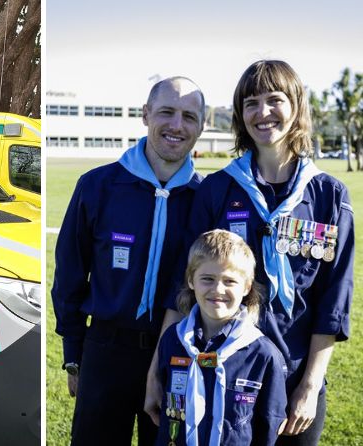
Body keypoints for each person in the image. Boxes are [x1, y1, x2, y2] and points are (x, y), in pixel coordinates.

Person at [147, 60, 354, 445]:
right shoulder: (218, 190)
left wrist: (310, 384)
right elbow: (184, 282)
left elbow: (334, 300)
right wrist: (156, 370)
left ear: (296, 106)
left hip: (295, 374)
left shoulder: (329, 196)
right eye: (251, 103)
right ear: (241, 115)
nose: (263, 113)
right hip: (219, 372)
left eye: (274, 100)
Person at [52, 77, 205, 445]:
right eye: (166, 112)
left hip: (177, 354)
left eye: (189, 116)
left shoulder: (205, 200)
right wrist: (74, 353)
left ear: (201, 126)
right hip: (106, 351)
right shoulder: (97, 186)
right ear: (145, 114)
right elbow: (71, 274)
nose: (176, 125)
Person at [154, 229, 287, 446]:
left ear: (247, 286)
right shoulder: (174, 340)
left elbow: (269, 426)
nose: (218, 290)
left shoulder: (263, 354)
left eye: (229, 281)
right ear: (191, 280)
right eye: (207, 279)